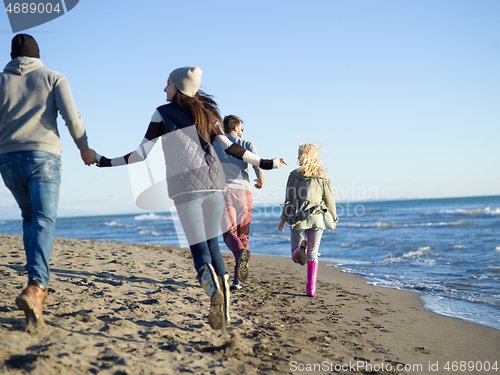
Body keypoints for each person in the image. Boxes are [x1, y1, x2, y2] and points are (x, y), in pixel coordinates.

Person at [95, 66, 286, 329]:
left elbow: (139, 155)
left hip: (186, 189)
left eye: (167, 84)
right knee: (213, 248)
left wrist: (103, 161)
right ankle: (225, 309)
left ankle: (213, 292)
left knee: (199, 253)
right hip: (216, 187)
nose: (164, 89)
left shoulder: (162, 114)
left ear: (178, 87)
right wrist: (268, 163)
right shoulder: (208, 115)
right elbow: (232, 148)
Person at [0, 34, 96, 330]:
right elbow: (71, 118)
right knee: (43, 220)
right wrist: (84, 147)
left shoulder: (1, 81)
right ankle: (36, 286)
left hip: (8, 161)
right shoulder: (53, 77)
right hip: (43, 158)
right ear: (37, 55)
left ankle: (35, 285)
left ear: (13, 55)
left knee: (29, 219)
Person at [278, 143, 338, 297]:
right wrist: (334, 219)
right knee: (313, 253)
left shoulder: (293, 175)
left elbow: (288, 200)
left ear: (301, 157)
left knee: (295, 255)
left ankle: (299, 250)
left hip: (299, 218)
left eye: (299, 154)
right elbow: (329, 200)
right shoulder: (323, 177)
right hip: (318, 218)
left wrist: (283, 218)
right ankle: (311, 289)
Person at [214, 115, 264, 291]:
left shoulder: (215, 144)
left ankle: (240, 256)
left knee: (229, 233)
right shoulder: (247, 144)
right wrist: (260, 179)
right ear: (236, 128)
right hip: (244, 193)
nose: (242, 132)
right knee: (243, 235)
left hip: (223, 193)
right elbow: (257, 164)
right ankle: (238, 280)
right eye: (241, 128)